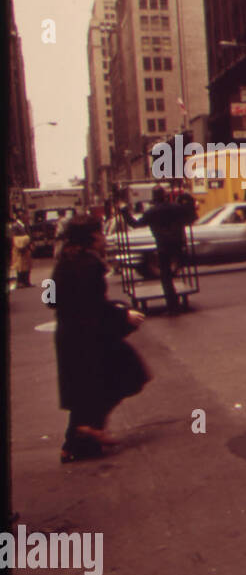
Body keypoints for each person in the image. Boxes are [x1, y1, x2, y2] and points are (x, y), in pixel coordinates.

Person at [52, 214, 149, 462]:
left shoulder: (62, 260)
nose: (105, 238)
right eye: (101, 233)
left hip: (69, 333)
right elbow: (93, 304)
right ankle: (88, 430)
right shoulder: (89, 264)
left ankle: (76, 441)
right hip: (89, 335)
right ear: (92, 237)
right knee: (128, 372)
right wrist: (122, 314)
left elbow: (50, 299)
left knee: (86, 388)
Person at [120, 186, 189, 315]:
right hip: (178, 244)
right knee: (176, 271)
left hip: (163, 245)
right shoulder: (175, 207)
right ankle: (176, 302)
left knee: (166, 276)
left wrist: (124, 211)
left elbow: (135, 224)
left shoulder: (152, 212)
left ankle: (172, 305)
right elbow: (189, 215)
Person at [10, 217, 33, 288]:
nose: (27, 217)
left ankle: (27, 282)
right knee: (20, 266)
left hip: (26, 248)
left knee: (27, 265)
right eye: (25, 215)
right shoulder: (15, 226)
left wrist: (31, 244)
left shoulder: (25, 225)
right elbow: (14, 237)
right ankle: (20, 282)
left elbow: (29, 235)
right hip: (19, 248)